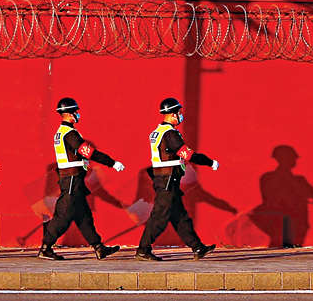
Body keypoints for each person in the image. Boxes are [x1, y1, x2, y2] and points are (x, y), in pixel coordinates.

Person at [38, 97, 125, 261]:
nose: (77, 114)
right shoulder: (70, 134)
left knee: (84, 217)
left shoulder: (61, 132)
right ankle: (45, 248)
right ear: (68, 114)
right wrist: (112, 162)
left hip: (73, 180)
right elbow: (89, 152)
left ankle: (99, 248)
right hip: (72, 181)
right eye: (75, 112)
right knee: (63, 216)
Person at [136, 97, 218, 261]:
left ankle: (198, 247)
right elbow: (188, 155)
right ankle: (143, 250)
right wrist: (210, 162)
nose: (180, 115)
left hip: (166, 180)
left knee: (180, 217)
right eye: (179, 112)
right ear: (172, 114)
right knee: (159, 217)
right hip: (167, 181)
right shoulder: (170, 134)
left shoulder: (158, 131)